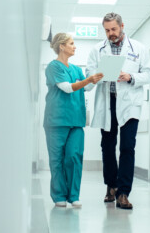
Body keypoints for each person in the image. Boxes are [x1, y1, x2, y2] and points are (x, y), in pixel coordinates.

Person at [85, 12, 150, 210]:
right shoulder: (97, 49)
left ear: (122, 26)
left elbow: (148, 74)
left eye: (114, 29)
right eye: (107, 30)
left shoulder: (138, 48)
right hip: (108, 103)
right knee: (107, 147)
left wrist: (130, 76)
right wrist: (95, 76)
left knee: (127, 147)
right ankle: (111, 186)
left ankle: (123, 192)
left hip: (130, 104)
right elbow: (88, 76)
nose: (110, 34)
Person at [44, 33, 103, 208]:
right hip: (56, 121)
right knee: (57, 159)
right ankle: (59, 196)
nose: (74, 46)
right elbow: (67, 88)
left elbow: (87, 86)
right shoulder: (53, 67)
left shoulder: (77, 69)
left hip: (76, 121)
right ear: (61, 46)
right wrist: (88, 80)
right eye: (71, 43)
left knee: (75, 157)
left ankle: (74, 195)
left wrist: (99, 78)